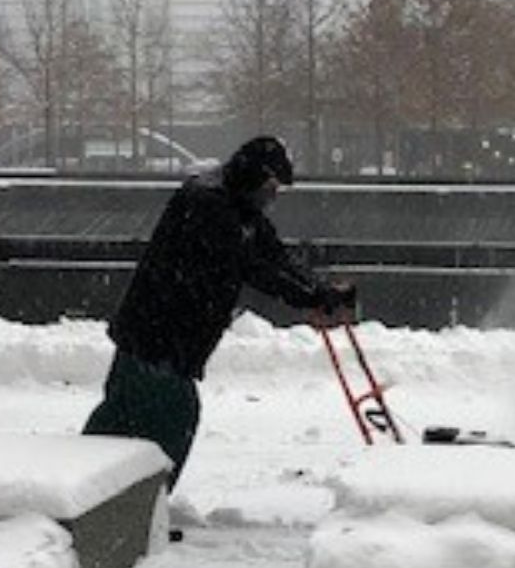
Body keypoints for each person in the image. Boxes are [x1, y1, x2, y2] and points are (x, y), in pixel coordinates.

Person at [84, 135, 355, 486]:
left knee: (120, 419)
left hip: (156, 333)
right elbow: (253, 266)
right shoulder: (208, 206)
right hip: (160, 334)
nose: (274, 195)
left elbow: (275, 256)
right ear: (254, 175)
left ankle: (86, 496)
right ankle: (130, 505)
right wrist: (312, 298)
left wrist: (320, 291)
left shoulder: (235, 204)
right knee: (171, 418)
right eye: (272, 185)